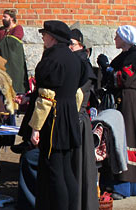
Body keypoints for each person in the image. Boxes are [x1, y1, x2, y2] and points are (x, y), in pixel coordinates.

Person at [28, 20, 87, 210]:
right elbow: (78, 93)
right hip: (69, 116)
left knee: (55, 170)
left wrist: (35, 127)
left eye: (44, 34)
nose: (43, 37)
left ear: (52, 37)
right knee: (66, 169)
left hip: (54, 119)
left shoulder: (52, 60)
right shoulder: (74, 59)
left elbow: (46, 97)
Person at [96, 25, 136, 200]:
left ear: (125, 39)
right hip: (123, 100)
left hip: (127, 102)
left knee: (124, 138)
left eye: (117, 36)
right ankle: (130, 186)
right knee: (122, 136)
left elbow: (123, 78)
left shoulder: (134, 57)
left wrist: (107, 68)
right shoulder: (127, 56)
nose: (115, 39)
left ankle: (124, 186)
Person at [69, 28, 99, 210]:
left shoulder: (81, 63)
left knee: (81, 167)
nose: (69, 48)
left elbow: (78, 96)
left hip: (78, 119)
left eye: (71, 44)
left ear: (81, 46)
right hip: (78, 118)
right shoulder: (76, 61)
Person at [0, 9, 29, 97]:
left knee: (14, 86)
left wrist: (0, 44)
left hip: (13, 63)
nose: (2, 19)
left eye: (5, 17)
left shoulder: (18, 29)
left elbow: (11, 42)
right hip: (1, 63)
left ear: (11, 18)